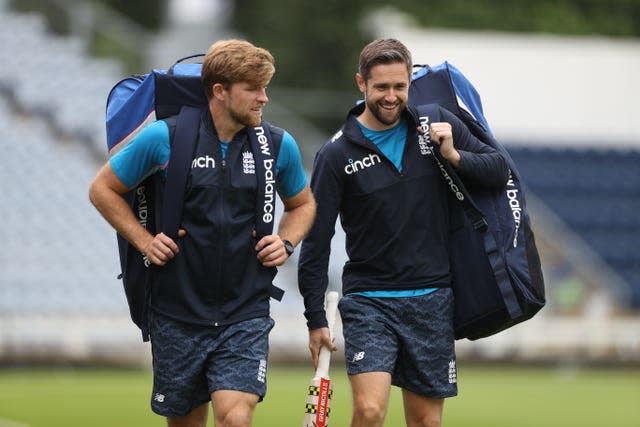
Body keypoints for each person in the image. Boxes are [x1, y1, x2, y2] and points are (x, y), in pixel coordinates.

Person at [89, 39, 316, 427]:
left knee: (235, 418)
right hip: (176, 313)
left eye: (265, 88)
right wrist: (144, 241)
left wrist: (286, 240)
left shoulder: (279, 144)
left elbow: (303, 204)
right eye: (253, 89)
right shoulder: (164, 138)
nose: (264, 98)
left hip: (245, 312)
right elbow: (102, 189)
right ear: (220, 91)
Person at [298, 38, 509, 427]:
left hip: (432, 301)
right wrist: (315, 319)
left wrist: (454, 155)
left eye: (400, 86)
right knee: (369, 410)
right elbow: (316, 241)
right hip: (369, 302)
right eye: (381, 87)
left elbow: (499, 169)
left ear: (410, 82)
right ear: (361, 83)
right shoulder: (335, 154)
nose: (391, 96)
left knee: (427, 422)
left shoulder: (437, 123)